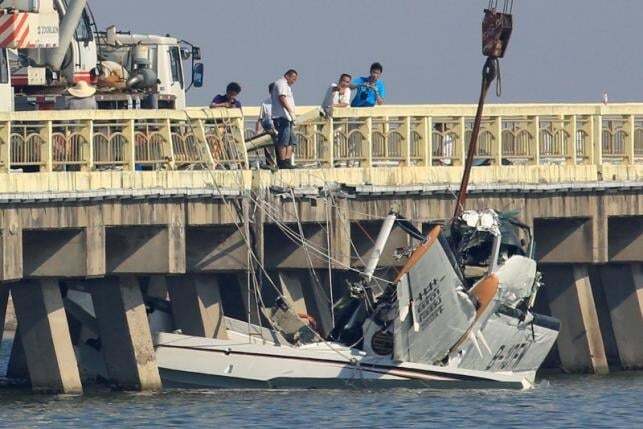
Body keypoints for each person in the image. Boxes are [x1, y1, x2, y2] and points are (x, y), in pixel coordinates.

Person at [271, 69, 298, 169]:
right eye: (293, 79)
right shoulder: (281, 83)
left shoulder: (287, 86)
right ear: (287, 76)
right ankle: (282, 161)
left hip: (288, 118)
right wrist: (290, 111)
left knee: (290, 140)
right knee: (283, 139)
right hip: (282, 116)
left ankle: (287, 161)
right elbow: (282, 98)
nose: (294, 81)